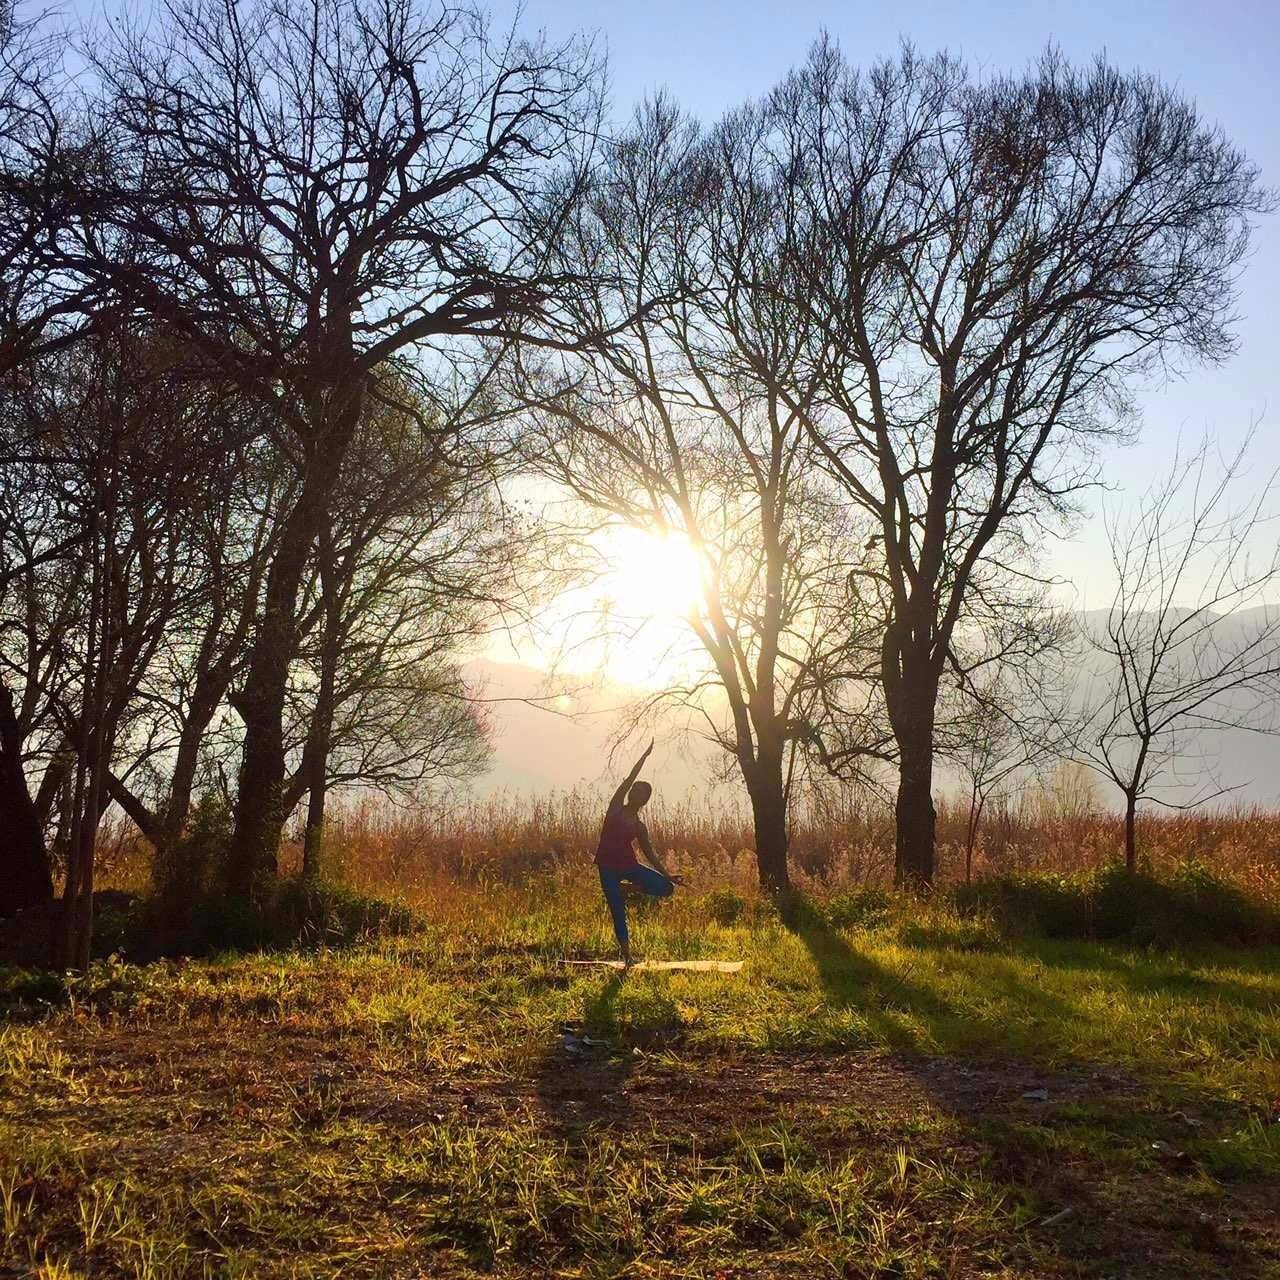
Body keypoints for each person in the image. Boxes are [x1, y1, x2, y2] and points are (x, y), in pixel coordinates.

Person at [595, 739, 679, 966]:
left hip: (629, 867)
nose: (634, 792)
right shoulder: (615, 808)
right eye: (634, 789)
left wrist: (667, 874)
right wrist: (644, 756)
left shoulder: (640, 826)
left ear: (645, 800)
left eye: (639, 792)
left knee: (666, 888)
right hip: (607, 866)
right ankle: (627, 956)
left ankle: (625, 887)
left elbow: (649, 852)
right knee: (617, 910)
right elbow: (628, 778)